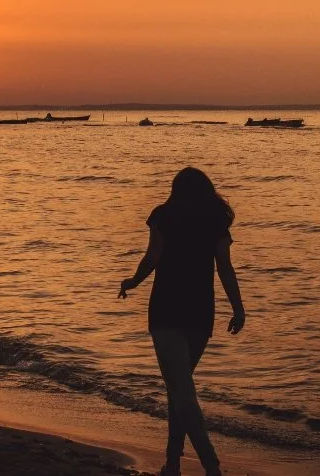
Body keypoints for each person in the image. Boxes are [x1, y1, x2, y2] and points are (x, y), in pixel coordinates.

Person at [118, 167, 245, 476]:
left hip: (166, 309)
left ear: (176, 190)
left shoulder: (164, 215)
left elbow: (153, 256)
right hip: (200, 312)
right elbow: (225, 269)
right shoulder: (216, 220)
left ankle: (211, 466)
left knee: (181, 393)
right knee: (179, 388)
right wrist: (238, 309)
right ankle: (172, 463)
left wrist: (133, 281)